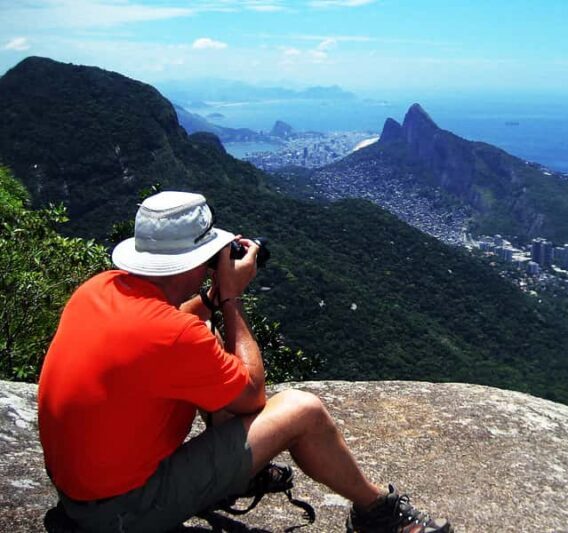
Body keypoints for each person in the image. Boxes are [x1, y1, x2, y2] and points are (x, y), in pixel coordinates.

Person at [37, 191, 452, 533]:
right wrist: (232, 299)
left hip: (81, 495)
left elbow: (165, 334)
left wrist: (212, 298)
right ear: (200, 258)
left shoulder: (98, 289)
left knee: (212, 347)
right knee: (303, 410)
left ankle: (238, 475)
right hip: (121, 513)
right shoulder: (174, 334)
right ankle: (378, 513)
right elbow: (251, 396)